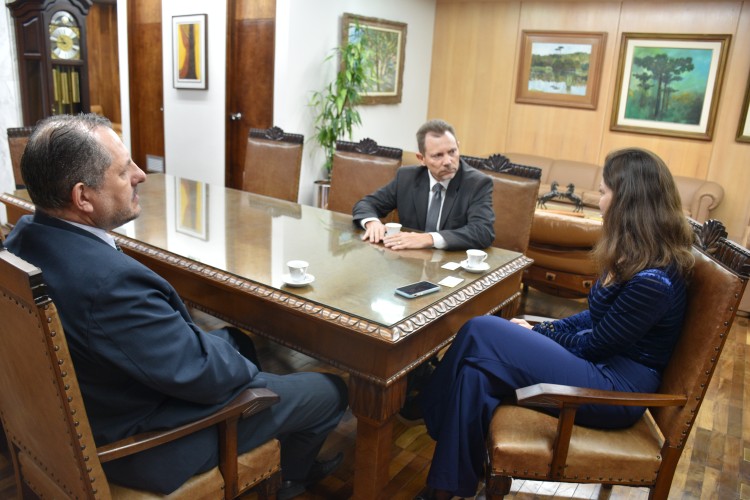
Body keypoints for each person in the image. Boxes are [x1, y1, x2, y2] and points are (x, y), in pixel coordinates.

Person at [5, 114, 347, 500]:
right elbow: (203, 373)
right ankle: (291, 480)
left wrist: (223, 349)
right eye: (123, 171)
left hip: (93, 403)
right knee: (329, 389)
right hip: (147, 444)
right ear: (83, 197)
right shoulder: (111, 285)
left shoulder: (21, 240)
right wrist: (240, 369)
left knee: (237, 342)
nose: (141, 174)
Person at [414, 148, 695, 500]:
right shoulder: (633, 253)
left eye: (605, 192)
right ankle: (444, 489)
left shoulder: (653, 280)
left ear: (628, 201)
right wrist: (543, 329)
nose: (600, 200)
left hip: (616, 388)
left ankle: (426, 402)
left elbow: (596, 344)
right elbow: (591, 318)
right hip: (599, 366)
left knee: (480, 329)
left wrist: (538, 331)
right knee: (475, 374)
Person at [353, 119, 495, 251]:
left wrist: (429, 238)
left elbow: (482, 231)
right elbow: (367, 204)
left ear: (458, 146)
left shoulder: (477, 183)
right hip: (409, 260)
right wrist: (372, 223)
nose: (448, 161)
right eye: (438, 155)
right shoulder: (406, 177)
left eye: (452, 152)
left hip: (451, 266)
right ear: (421, 158)